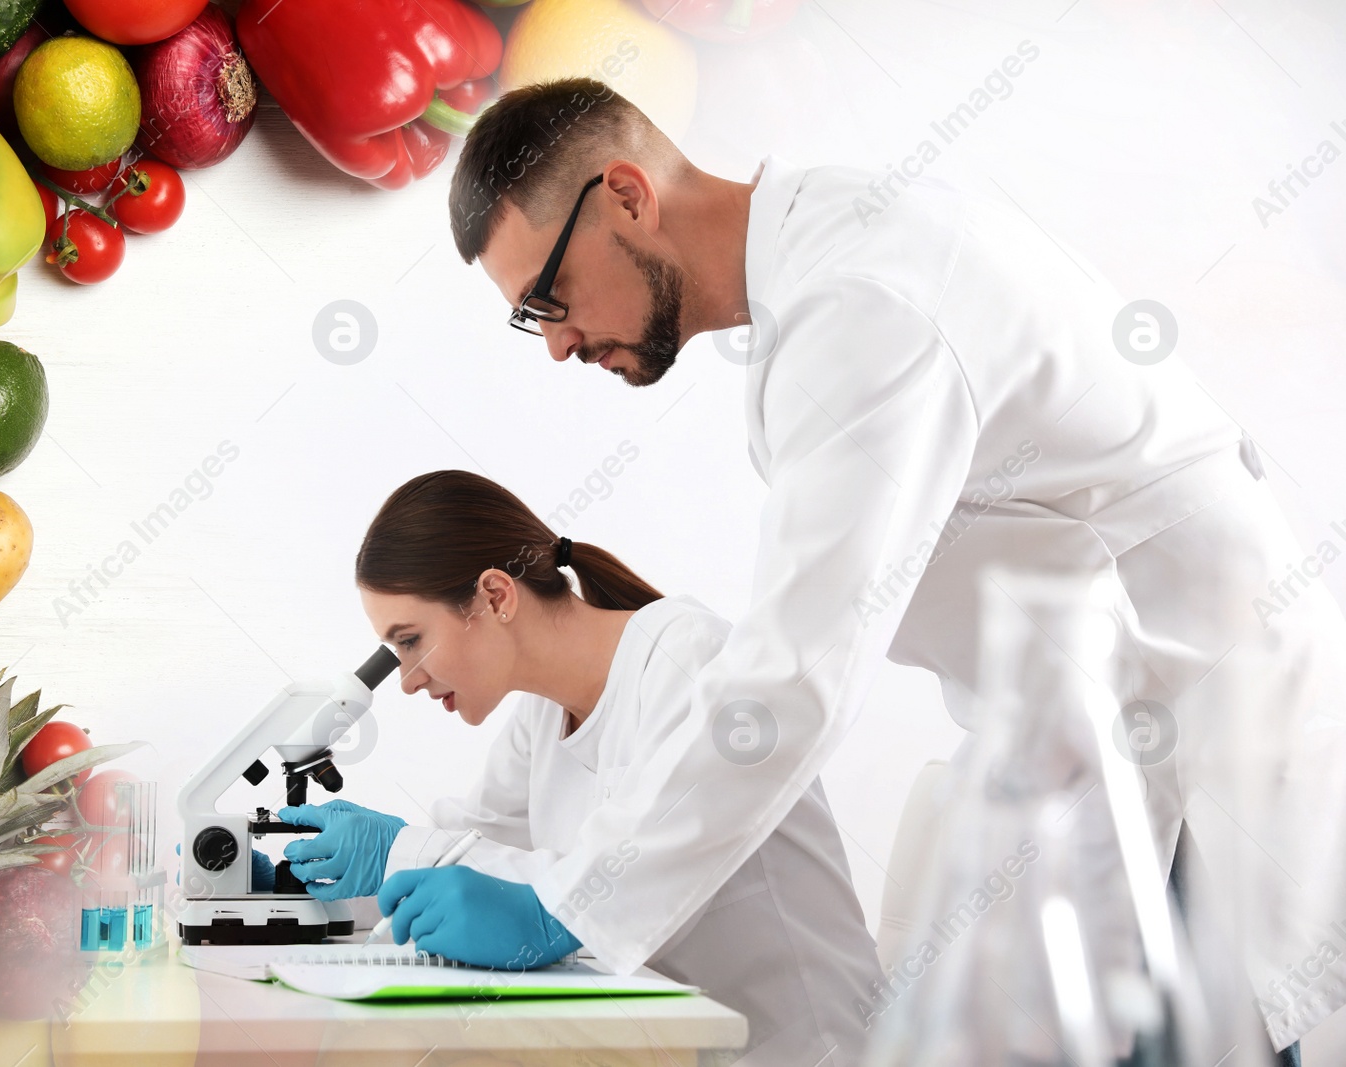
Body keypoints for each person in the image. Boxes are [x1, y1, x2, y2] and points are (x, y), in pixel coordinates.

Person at [401, 77, 1336, 1063]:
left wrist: (569, 905)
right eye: (527, 321)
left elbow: (793, 679)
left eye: (546, 298)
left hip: (1197, 760)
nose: (554, 343)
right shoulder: (827, 269)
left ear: (626, 196)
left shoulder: (862, 305)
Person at [280, 469, 882, 1065]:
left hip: (798, 1049)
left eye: (410, 641)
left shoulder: (688, 660)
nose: (408, 681)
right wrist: (304, 892)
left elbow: (628, 871)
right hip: (675, 1039)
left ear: (495, 596)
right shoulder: (544, 715)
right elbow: (473, 851)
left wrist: (398, 851)